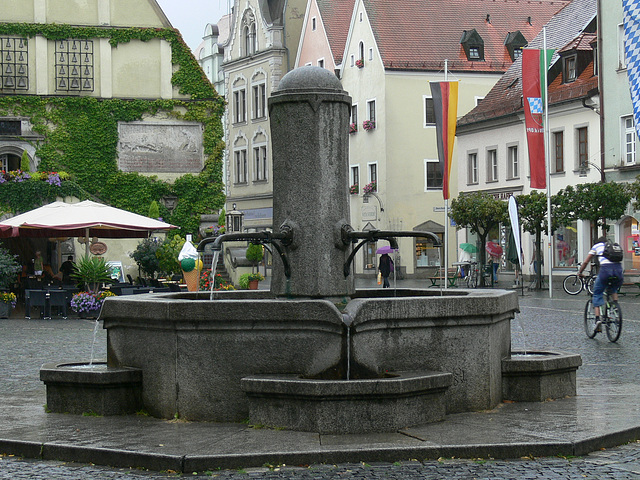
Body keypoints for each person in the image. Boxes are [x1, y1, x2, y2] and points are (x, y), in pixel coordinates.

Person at [578, 236, 624, 333]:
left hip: (605, 271)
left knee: (597, 293)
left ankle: (598, 319)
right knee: (613, 289)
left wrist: (580, 272)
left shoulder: (596, 246)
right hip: (619, 271)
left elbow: (586, 261)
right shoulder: (612, 246)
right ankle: (615, 308)